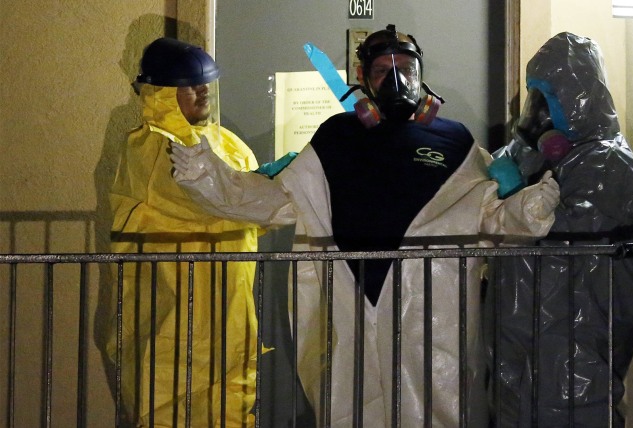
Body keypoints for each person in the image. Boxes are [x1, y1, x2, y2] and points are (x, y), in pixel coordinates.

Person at [169, 24, 560, 427]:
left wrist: (530, 208)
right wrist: (206, 176)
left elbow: (490, 217)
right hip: (350, 298)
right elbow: (279, 199)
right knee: (352, 402)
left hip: (433, 305)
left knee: (437, 404)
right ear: (362, 78)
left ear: (421, 72)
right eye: (382, 71)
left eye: (406, 68)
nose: (397, 80)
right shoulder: (336, 138)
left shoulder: (455, 141)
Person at [486, 32, 633, 426]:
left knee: (574, 403)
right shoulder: (539, 152)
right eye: (535, 97)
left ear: (577, 99)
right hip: (523, 319)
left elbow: (569, 229)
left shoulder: (606, 159)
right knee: (518, 403)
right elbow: (505, 168)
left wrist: (515, 196)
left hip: (577, 316)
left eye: (547, 99)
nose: (537, 112)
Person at [105, 37, 265, 427]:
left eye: (204, 82)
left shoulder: (228, 144)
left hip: (230, 303)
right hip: (173, 305)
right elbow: (215, 201)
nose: (202, 90)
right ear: (160, 94)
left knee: (230, 397)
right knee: (166, 396)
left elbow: (248, 204)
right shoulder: (151, 149)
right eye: (189, 85)